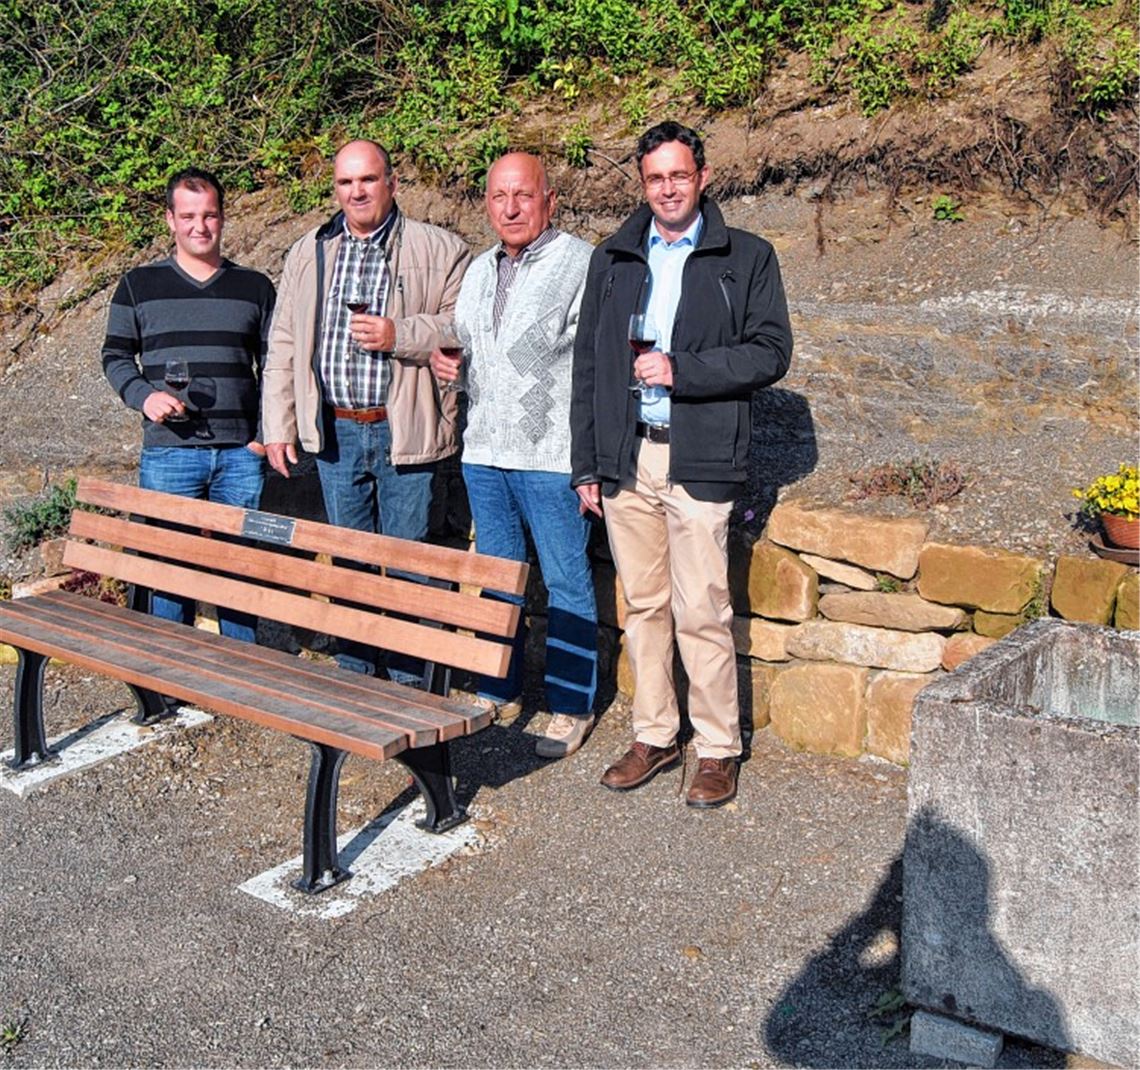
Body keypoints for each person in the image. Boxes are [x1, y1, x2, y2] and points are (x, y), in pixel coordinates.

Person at [570, 121, 793, 808]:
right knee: (642, 606)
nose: (667, 188)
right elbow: (589, 367)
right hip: (628, 458)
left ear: (702, 177)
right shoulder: (614, 257)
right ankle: (656, 734)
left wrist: (682, 370)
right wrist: (587, 464)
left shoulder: (746, 257)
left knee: (702, 608)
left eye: (678, 175)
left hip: (698, 456)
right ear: (643, 184)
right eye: (654, 178)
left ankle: (719, 747)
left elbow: (770, 352)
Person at [261, 139, 471, 680]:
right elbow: (284, 341)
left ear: (392, 184)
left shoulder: (441, 248)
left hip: (403, 427)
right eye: (346, 182)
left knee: (407, 562)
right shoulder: (310, 250)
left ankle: (406, 683)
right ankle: (356, 677)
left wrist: (398, 334)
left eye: (368, 180)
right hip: (335, 430)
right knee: (349, 562)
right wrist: (279, 424)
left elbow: (461, 329)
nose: (356, 191)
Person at [430, 153, 598, 758]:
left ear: (550, 200)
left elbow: (598, 367)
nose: (511, 207)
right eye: (499, 196)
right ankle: (499, 687)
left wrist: (592, 460)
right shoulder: (478, 270)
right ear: (486, 204)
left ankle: (571, 703)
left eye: (523, 195)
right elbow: (466, 352)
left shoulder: (581, 263)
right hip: (484, 452)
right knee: (499, 580)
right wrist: (446, 364)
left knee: (564, 582)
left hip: (551, 455)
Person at [101, 167, 276, 643]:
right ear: (170, 220)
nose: (200, 226)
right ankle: (170, 675)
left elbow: (277, 368)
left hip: (241, 454)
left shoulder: (256, 288)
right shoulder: (138, 285)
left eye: (210, 215)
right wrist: (145, 396)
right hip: (170, 452)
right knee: (168, 569)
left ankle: (238, 671)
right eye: (189, 216)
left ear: (222, 218)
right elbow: (115, 356)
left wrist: (261, 438)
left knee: (238, 567)